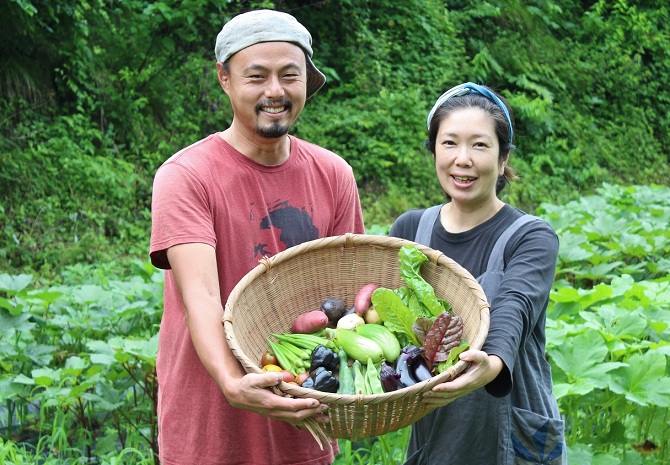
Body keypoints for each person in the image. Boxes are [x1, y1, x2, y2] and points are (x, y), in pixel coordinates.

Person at [149, 9, 364, 465]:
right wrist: (233, 384)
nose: (275, 92)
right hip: (210, 428)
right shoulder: (187, 176)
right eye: (257, 76)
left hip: (303, 419)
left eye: (290, 75)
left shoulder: (333, 175)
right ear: (224, 78)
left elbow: (344, 303)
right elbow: (202, 296)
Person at [389, 82, 566, 464]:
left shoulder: (531, 236)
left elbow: (513, 306)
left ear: (503, 160)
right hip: (437, 431)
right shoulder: (410, 231)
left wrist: (492, 363)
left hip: (513, 426)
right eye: (449, 143)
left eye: (480, 145)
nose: (462, 159)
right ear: (433, 149)